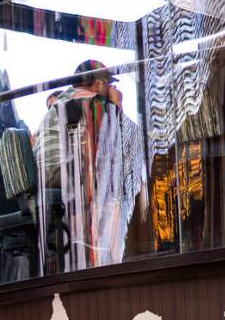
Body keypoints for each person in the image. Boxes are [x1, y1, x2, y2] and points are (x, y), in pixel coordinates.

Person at [33, 60, 147, 268]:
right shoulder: (87, 100)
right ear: (97, 83)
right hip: (60, 171)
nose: (112, 88)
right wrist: (115, 105)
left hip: (47, 172)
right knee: (112, 187)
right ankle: (110, 252)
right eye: (108, 83)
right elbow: (112, 140)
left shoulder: (65, 99)